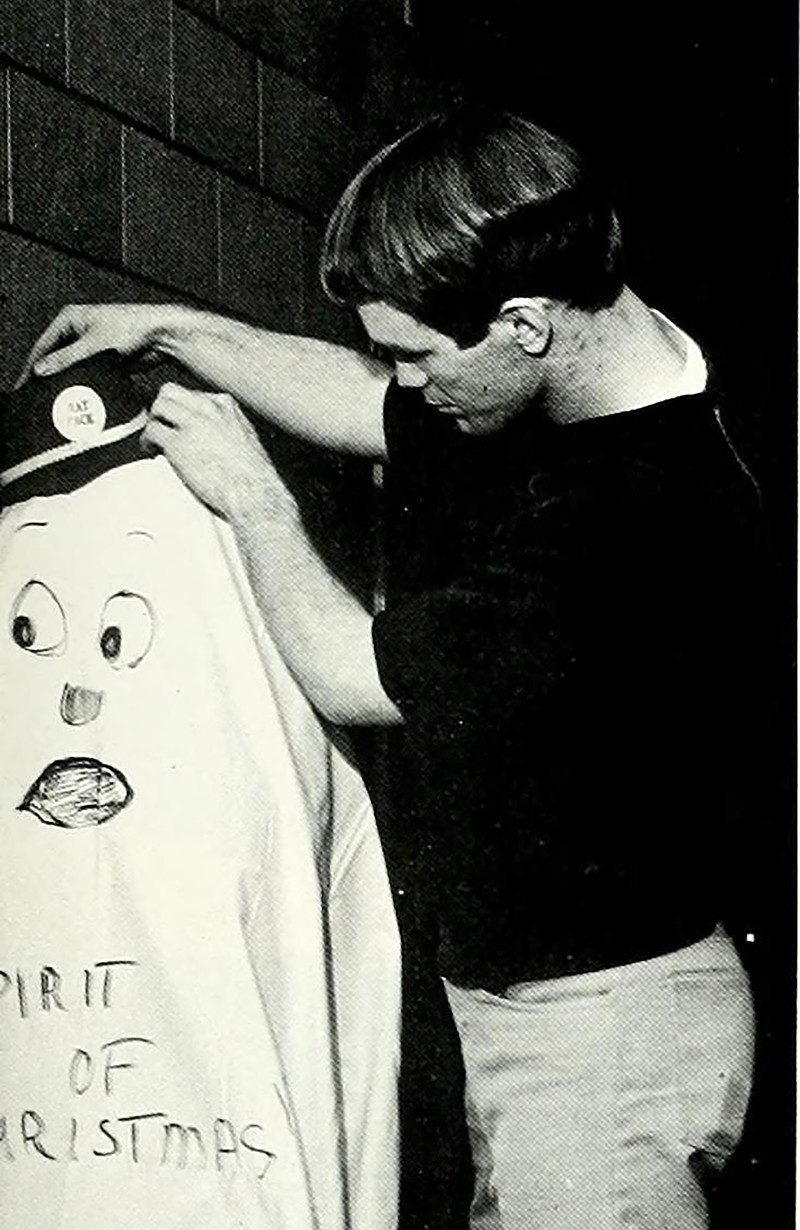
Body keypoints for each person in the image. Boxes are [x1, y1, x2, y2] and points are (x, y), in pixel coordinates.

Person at [23, 110, 771, 1229]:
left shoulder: (641, 512)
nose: (407, 385)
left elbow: (347, 673)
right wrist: (173, 329)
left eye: (418, 354)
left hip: (602, 1041)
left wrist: (255, 498)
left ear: (522, 324)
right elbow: (365, 402)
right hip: (554, 1023)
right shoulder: (591, 375)